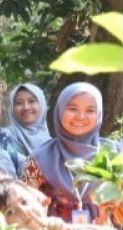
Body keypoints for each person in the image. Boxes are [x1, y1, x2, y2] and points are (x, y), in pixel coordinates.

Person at [22, 83, 112, 222]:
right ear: (59, 110)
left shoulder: (115, 156)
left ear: (99, 114)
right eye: (72, 109)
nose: (81, 116)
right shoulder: (38, 159)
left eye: (90, 110)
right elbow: (24, 208)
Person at [0, 84, 50, 174]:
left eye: (31, 101)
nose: (26, 107)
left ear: (41, 104)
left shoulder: (51, 144)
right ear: (12, 108)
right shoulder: (1, 138)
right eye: (19, 103)